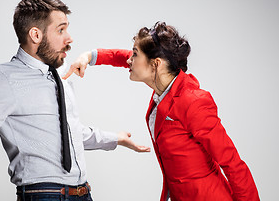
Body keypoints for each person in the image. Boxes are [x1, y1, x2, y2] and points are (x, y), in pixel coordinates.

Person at [0, 0, 150, 201]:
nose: (69, 38)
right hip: (44, 195)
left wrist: (116, 138)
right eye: (61, 30)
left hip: (83, 193)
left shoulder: (62, 75)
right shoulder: (1, 78)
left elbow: (69, 133)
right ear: (35, 34)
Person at [63, 21, 260, 201]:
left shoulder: (193, 101)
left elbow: (232, 163)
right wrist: (89, 56)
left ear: (156, 64)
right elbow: (122, 57)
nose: (129, 60)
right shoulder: (163, 86)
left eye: (135, 54)